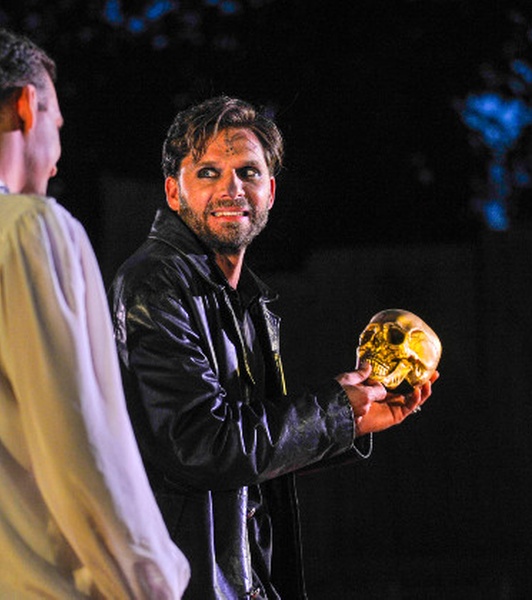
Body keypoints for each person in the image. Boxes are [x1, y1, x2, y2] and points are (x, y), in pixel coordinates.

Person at [110, 95, 438, 599]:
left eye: (248, 172)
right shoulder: (154, 284)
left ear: (271, 191)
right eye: (208, 173)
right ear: (174, 192)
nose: (232, 188)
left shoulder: (242, 298)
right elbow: (203, 445)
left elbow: (246, 452)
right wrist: (332, 411)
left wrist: (350, 422)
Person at [0, 28, 189, 598]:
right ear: (26, 106)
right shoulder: (31, 230)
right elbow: (81, 445)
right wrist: (153, 581)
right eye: (57, 124)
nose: (57, 160)